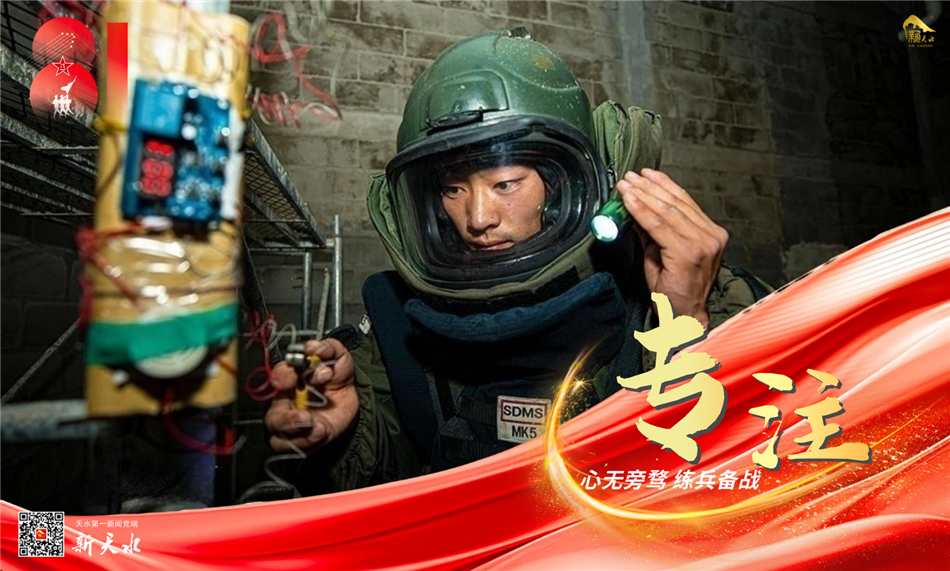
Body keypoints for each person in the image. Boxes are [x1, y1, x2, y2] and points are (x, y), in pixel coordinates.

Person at [263, 29, 770, 493]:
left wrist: (685, 326)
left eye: (506, 183)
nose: (478, 218)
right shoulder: (397, 334)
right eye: (453, 189)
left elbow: (748, 484)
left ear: (562, 184)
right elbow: (388, 490)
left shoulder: (693, 300)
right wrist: (347, 434)